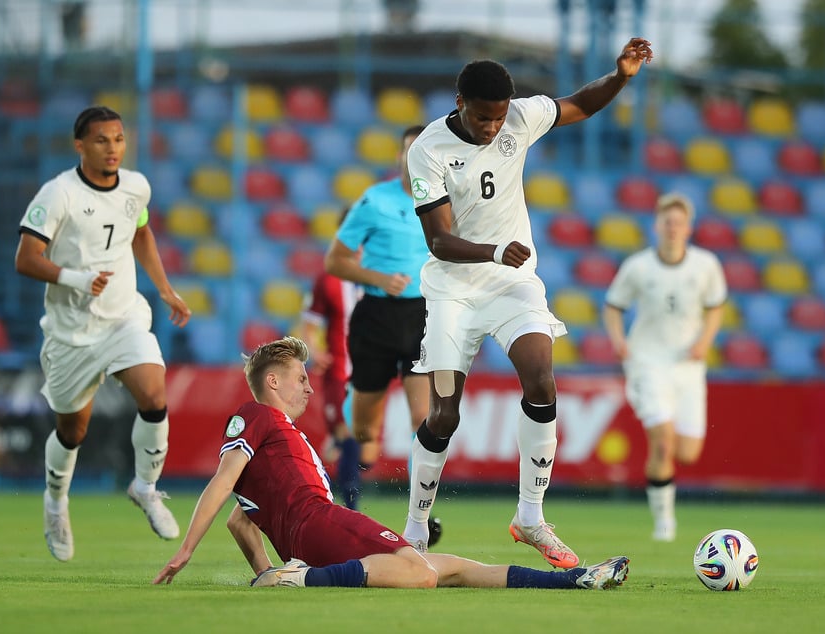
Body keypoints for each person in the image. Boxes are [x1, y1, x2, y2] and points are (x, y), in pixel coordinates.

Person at [402, 38, 654, 566]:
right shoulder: (427, 149)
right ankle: (416, 528)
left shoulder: (520, 117)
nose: (492, 128)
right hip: (452, 290)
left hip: (512, 285)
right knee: (445, 413)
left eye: (497, 119)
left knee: (541, 380)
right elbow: (439, 242)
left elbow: (579, 104)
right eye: (481, 118)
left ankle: (531, 518)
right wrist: (495, 248)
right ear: (458, 102)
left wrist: (621, 76)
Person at [152, 336, 629, 590]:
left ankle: (571, 582)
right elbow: (221, 484)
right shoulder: (254, 415)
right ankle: (302, 580)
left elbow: (241, 520)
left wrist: (264, 572)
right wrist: (186, 550)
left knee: (450, 568)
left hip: (310, 532)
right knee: (420, 574)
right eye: (300, 378)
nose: (309, 388)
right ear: (272, 382)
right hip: (319, 522)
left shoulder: (274, 436)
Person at [15, 105, 192, 562]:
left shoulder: (136, 186)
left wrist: (165, 290)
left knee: (154, 395)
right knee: (72, 431)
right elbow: (26, 258)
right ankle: (56, 502)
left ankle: (146, 487)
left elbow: (141, 232)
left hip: (123, 319)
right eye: (100, 140)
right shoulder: (59, 195)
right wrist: (75, 278)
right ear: (80, 146)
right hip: (72, 334)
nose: (111, 148)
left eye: (118, 139)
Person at [602, 193, 726, 542]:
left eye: (679, 223)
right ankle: (664, 524)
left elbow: (716, 306)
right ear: (657, 226)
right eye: (667, 222)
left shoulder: (706, 266)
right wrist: (619, 341)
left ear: (689, 228)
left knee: (687, 452)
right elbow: (613, 306)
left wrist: (705, 341)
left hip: (687, 367)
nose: (672, 229)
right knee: (663, 443)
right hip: (648, 362)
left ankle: (664, 498)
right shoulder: (639, 267)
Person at [324, 125, 431, 508]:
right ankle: (346, 436)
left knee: (424, 417)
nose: (414, 158)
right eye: (408, 151)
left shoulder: (449, 203)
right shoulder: (375, 200)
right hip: (376, 317)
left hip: (423, 316)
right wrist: (379, 278)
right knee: (365, 431)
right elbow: (334, 261)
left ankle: (421, 508)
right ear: (400, 157)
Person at [300, 208, 362, 507]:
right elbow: (309, 324)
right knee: (347, 431)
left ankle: (334, 453)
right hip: (338, 369)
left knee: (365, 446)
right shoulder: (328, 279)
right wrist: (315, 349)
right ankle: (351, 506)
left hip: (370, 372)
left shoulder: (381, 277)